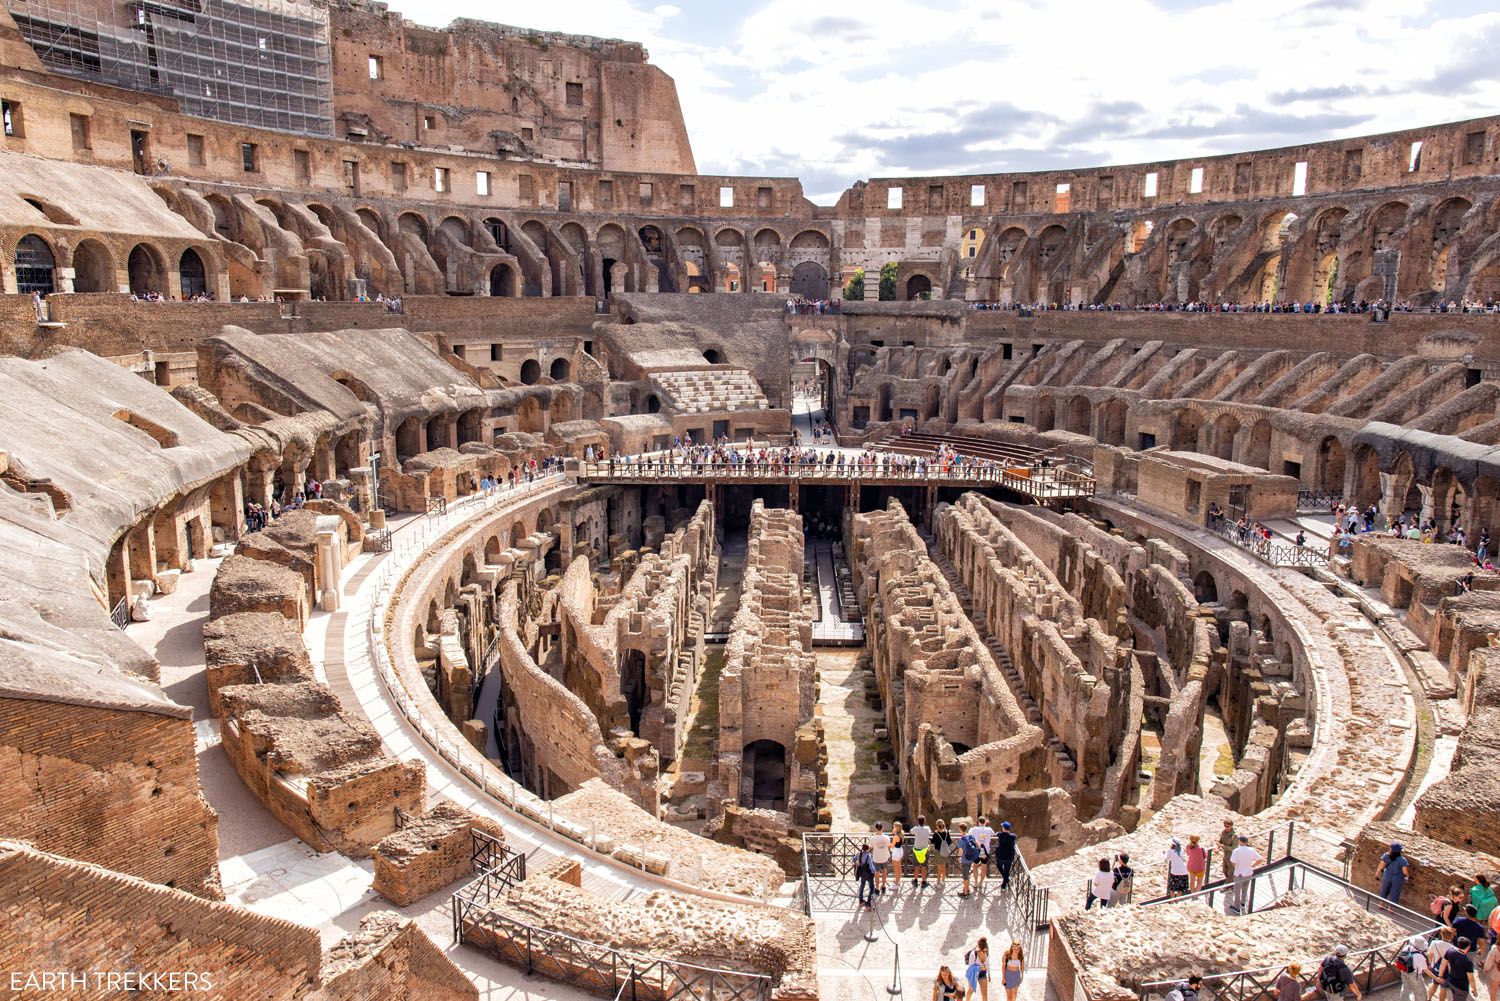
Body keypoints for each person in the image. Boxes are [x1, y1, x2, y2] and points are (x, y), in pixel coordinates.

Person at [1229, 834, 1264, 915]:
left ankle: (1237, 908)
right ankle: (1243, 903)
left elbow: (1233, 862)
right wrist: (1252, 866)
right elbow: (1260, 859)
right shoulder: (1251, 850)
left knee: (1237, 891)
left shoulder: (1236, 851)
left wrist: (1237, 866)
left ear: (1240, 842)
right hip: (1248, 872)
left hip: (1239, 873)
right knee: (1245, 888)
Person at [1398, 936, 1431, 1001]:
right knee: (1420, 993)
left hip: (1404, 971)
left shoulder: (1407, 948)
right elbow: (1426, 970)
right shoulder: (1419, 956)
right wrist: (1436, 978)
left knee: (1405, 989)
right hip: (1415, 975)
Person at [1379, 842, 1411, 907]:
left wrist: (1378, 872)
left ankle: (1381, 904)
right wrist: (1407, 878)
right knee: (1395, 892)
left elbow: (1382, 865)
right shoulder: (1402, 860)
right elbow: (1405, 872)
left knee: (1384, 889)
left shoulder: (1386, 855)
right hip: (1397, 877)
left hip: (1387, 874)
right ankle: (1391, 908)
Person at [970, 816, 994, 890]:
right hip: (986, 850)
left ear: (978, 822)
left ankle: (976, 882)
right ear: (985, 822)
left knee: (975, 866)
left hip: (977, 850)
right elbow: (993, 834)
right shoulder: (989, 829)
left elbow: (969, 835)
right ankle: (981, 883)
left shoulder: (974, 829)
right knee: (984, 867)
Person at [957, 822, 981, 898]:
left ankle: (966, 893)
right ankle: (967, 889)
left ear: (960, 830)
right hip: (971, 859)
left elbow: (960, 852)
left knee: (965, 877)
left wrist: (959, 857)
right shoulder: (971, 836)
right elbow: (978, 846)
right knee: (967, 874)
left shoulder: (961, 840)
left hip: (965, 860)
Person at [992, 820, 1018, 889]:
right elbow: (1015, 836)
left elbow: (997, 833)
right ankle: (1004, 884)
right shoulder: (1013, 836)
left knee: (999, 866)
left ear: (1003, 828)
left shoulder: (1000, 835)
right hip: (1009, 857)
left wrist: (998, 833)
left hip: (1001, 856)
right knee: (1007, 870)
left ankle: (1006, 880)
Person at [910, 815, 933, 889]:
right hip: (925, 850)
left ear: (918, 821)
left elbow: (911, 832)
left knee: (916, 866)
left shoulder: (916, 829)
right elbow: (930, 832)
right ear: (924, 821)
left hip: (916, 850)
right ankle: (923, 882)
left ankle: (915, 880)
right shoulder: (927, 829)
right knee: (924, 867)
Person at [964, 937, 989, 1001]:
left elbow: (987, 964)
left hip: (982, 974)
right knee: (971, 990)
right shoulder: (973, 954)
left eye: (985, 951)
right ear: (979, 949)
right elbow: (970, 968)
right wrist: (980, 967)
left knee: (985, 994)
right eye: (983, 951)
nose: (984, 952)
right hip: (973, 974)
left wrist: (989, 974)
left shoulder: (986, 952)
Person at [870, 822, 892, 896]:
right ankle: (883, 886)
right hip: (884, 857)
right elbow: (889, 846)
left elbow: (871, 847)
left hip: (876, 858)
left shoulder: (873, 838)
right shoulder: (887, 837)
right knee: (884, 872)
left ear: (875, 829)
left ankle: (877, 888)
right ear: (882, 828)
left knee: (877, 873)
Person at [855, 842, 876, 909]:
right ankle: (868, 903)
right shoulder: (868, 856)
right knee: (872, 888)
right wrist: (874, 871)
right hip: (868, 873)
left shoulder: (858, 853)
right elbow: (871, 866)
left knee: (862, 885)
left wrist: (857, 862)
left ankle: (860, 900)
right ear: (867, 849)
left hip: (862, 873)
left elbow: (853, 860)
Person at [932, 819, 953, 885]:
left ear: (937, 826)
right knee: (943, 867)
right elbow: (950, 842)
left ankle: (938, 882)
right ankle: (943, 881)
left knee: (939, 868)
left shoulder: (936, 833)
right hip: (945, 852)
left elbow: (932, 841)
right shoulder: (947, 832)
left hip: (938, 852)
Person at [1219, 818, 1238, 883]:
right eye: (1225, 826)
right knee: (1225, 870)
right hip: (1225, 855)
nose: (1226, 828)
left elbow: (1234, 848)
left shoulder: (1235, 836)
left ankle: (1228, 885)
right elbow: (1221, 841)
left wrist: (1223, 847)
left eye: (1227, 826)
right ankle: (1230, 882)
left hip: (1231, 856)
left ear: (1231, 826)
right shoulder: (1224, 832)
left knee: (1231, 871)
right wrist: (1218, 847)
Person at [890, 821, 906, 888]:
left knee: (896, 869)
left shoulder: (896, 837)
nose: (893, 828)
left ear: (896, 828)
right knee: (899, 866)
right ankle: (898, 880)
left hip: (896, 852)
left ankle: (896, 884)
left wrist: (889, 846)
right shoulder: (902, 834)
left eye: (894, 827)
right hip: (900, 851)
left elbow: (892, 846)